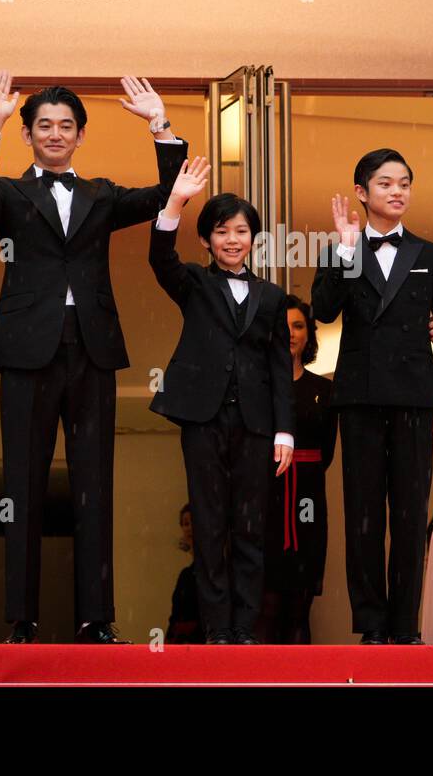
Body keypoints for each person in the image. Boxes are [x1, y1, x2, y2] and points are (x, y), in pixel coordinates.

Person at [0, 72, 188, 644]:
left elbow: (169, 195)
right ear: (29, 136)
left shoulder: (102, 195)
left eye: (66, 126)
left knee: (94, 486)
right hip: (25, 350)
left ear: (81, 136)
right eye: (44, 126)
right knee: (23, 486)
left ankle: (95, 618)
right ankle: (22, 618)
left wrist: (159, 124)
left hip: (92, 349)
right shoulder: (10, 196)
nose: (55, 134)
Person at [311, 149, 433, 644]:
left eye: (404, 183)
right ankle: (371, 626)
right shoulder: (342, 251)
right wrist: (347, 249)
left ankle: (406, 626)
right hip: (358, 400)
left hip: (416, 400)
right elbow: (325, 310)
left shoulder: (432, 254)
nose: (396, 192)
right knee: (364, 515)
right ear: (362, 193)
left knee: (411, 513)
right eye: (385, 184)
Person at [148, 161, 295, 644]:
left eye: (241, 231)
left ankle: (245, 629)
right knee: (209, 525)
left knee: (251, 529)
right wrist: (175, 201)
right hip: (202, 417)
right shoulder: (194, 283)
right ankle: (217, 631)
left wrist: (285, 430)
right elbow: (158, 258)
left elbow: (279, 368)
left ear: (254, 237)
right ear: (207, 241)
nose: (232, 239)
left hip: (256, 424)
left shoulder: (273, 296)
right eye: (221, 231)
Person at [257, 296, 338, 644]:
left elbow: (328, 453)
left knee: (299, 606)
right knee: (265, 603)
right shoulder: (257, 387)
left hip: (308, 498)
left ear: (309, 334)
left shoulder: (324, 389)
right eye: (283, 325)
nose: (290, 333)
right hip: (265, 496)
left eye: (298, 325)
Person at [165, 504, 205, 644]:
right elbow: (175, 616)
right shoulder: (186, 575)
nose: (189, 528)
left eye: (192, 522)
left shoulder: (215, 573)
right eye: (185, 523)